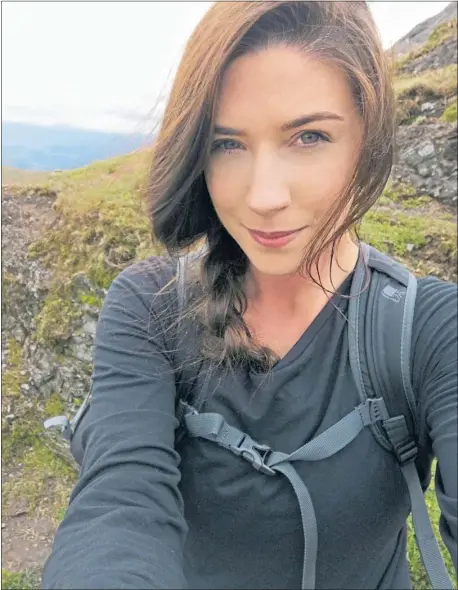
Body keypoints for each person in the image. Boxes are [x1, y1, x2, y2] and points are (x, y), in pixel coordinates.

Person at [42, 2, 457, 589]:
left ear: (368, 137)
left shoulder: (431, 333)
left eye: (309, 136)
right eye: (226, 144)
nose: (263, 196)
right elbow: (119, 503)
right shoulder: (150, 307)